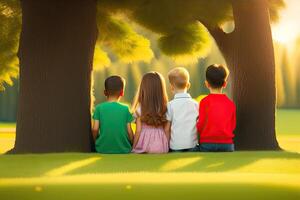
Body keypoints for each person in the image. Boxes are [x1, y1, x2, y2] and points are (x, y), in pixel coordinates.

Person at [196, 64, 236, 152]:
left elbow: (201, 125)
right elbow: (232, 126)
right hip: (227, 145)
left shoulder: (204, 102)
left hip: (207, 144)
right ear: (225, 84)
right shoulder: (230, 104)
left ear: (206, 84)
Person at [92, 75, 134, 154]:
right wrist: (133, 144)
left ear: (105, 92)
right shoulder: (125, 109)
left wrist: (94, 144)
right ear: (122, 93)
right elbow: (129, 131)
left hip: (102, 149)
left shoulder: (99, 108)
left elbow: (95, 129)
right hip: (124, 150)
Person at [132, 72, 169, 153]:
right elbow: (166, 130)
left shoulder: (139, 109)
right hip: (161, 146)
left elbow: (138, 131)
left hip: (144, 145)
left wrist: (133, 147)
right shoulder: (165, 108)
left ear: (143, 88)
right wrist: (168, 146)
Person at [165, 67, 199, 152]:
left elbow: (167, 129)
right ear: (188, 85)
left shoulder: (170, 105)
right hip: (193, 145)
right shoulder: (195, 104)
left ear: (171, 87)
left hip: (175, 146)